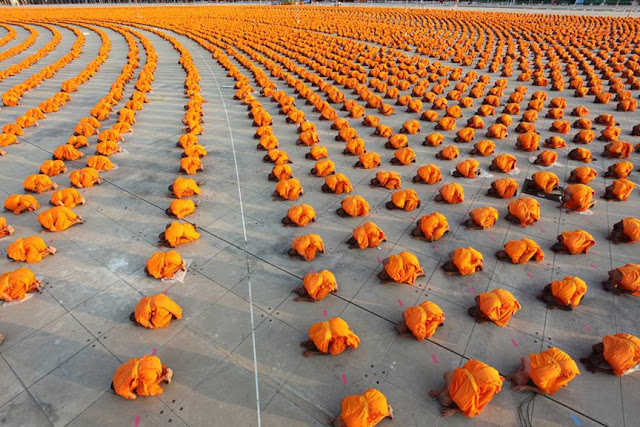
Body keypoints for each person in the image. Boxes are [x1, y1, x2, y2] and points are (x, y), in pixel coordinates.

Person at [429, 359, 503, 417]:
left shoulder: (462, 401)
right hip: (485, 371)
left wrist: (453, 411)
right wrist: (440, 391)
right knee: (459, 374)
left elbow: (472, 411)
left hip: (491, 381)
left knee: (478, 404)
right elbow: (447, 374)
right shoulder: (451, 385)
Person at [508, 347, 580, 395]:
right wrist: (516, 373)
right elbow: (524, 358)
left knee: (551, 388)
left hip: (569, 369)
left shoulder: (538, 379)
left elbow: (545, 392)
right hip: (560, 356)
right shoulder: (527, 363)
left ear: (525, 381)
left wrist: (526, 387)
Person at [328, 388, 393, 427]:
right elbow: (342, 403)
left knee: (372, 420)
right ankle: (388, 409)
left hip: (379, 405)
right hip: (373, 395)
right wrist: (334, 420)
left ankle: (389, 412)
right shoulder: (345, 408)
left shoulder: (355, 424)